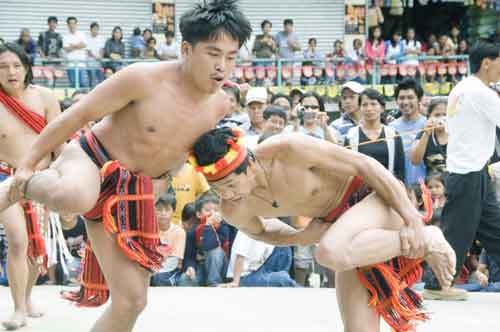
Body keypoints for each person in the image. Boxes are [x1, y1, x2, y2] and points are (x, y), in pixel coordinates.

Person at [0, 2, 252, 332]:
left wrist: (171, 178)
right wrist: (27, 164)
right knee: (74, 196)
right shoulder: (142, 78)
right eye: (213, 53)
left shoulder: (220, 105)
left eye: (231, 57)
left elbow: (184, 150)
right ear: (186, 49)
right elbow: (76, 116)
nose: (222, 66)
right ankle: (22, 185)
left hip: (133, 194)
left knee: (132, 301)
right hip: (91, 161)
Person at [189, 127, 455, 332]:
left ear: (248, 163)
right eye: (218, 189)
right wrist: (300, 237)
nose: (227, 195)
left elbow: (366, 165)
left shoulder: (288, 149)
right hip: (341, 231)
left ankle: (429, 237)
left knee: (329, 252)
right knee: (358, 328)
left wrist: (411, 220)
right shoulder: (233, 208)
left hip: (374, 199)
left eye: (231, 185)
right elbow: (260, 231)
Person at [423, 40, 500, 300]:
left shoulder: (462, 88)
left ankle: (439, 283)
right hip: (468, 174)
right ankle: (437, 285)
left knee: (496, 228)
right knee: (457, 233)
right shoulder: (481, 93)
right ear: (487, 63)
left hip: (475, 173)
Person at [0, 42, 61, 330]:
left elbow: (60, 143)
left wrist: (63, 178)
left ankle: (26, 298)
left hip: (41, 178)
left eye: (16, 65)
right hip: (5, 178)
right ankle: (18, 309)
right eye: (2, 67)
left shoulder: (46, 98)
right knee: (17, 240)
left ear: (26, 68)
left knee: (37, 248)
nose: (10, 72)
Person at [346, 88, 406, 182]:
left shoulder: (393, 135)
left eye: (373, 104)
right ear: (360, 109)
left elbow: (400, 170)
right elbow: (348, 169)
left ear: (382, 108)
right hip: (360, 191)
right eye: (364, 105)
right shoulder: (351, 136)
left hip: (388, 188)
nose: (369, 109)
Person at [411, 98, 448, 174]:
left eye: (445, 115)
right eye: (437, 115)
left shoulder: (457, 134)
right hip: (433, 183)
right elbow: (415, 161)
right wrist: (426, 134)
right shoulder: (423, 135)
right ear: (429, 117)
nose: (441, 118)